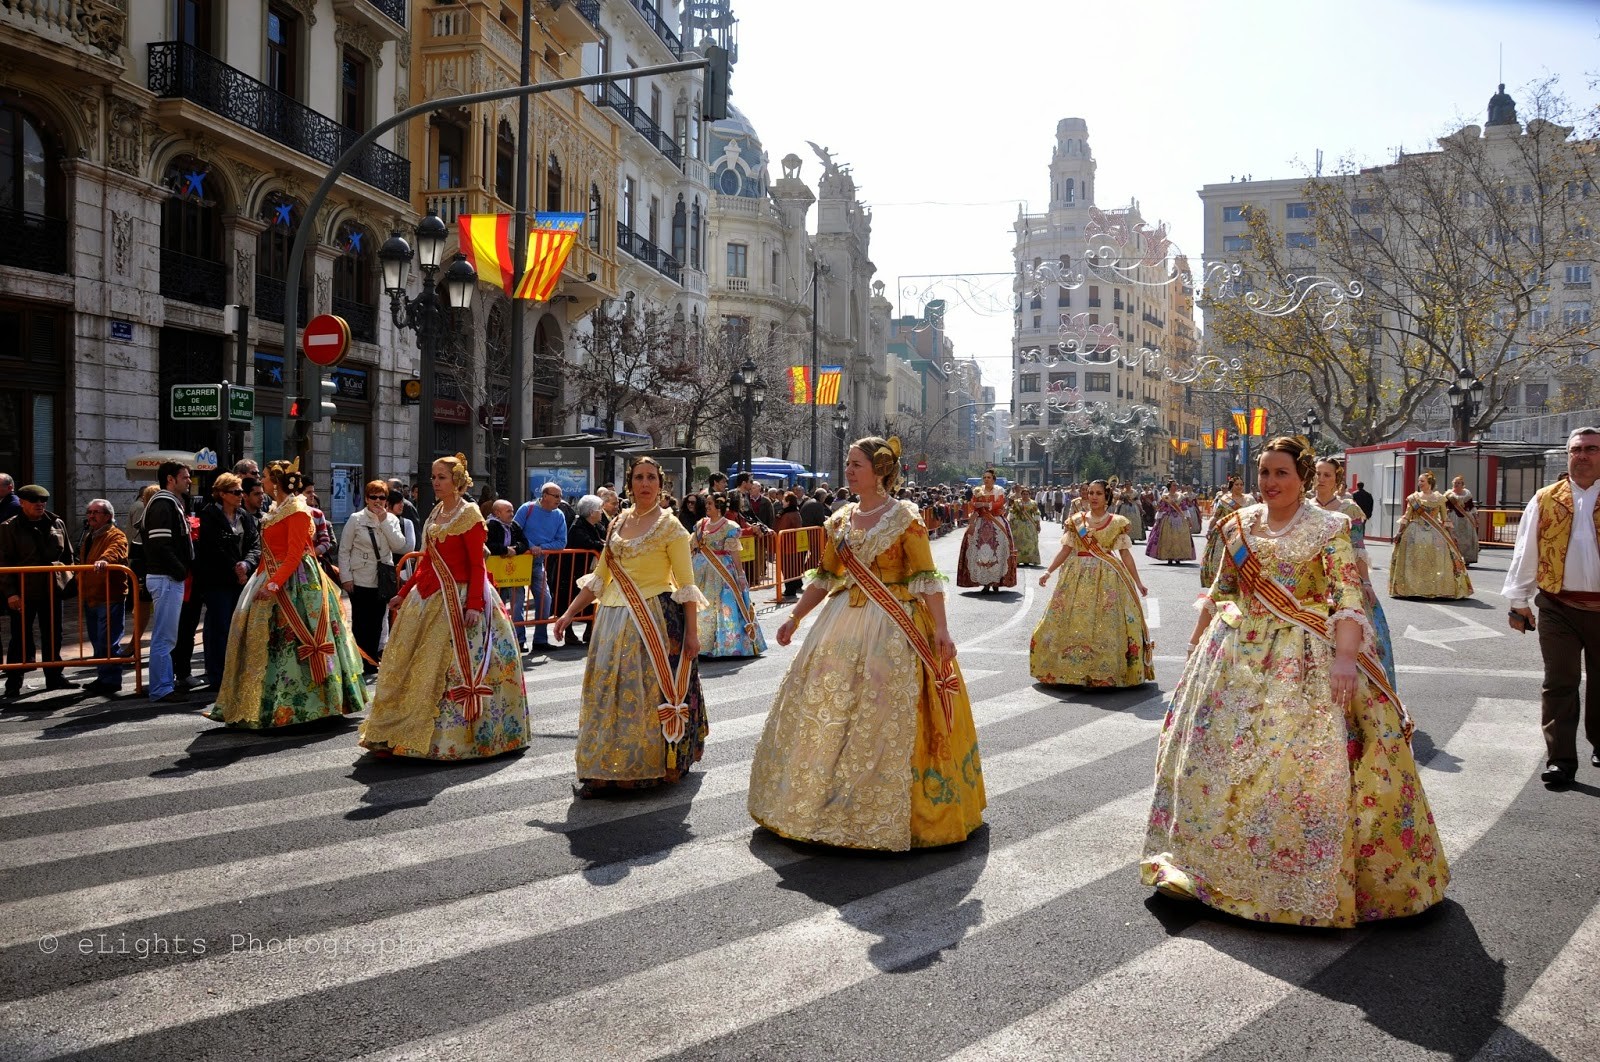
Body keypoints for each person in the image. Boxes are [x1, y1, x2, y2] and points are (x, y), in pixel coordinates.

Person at [1142, 436, 1449, 927]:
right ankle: (1208, 865)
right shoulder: (1238, 525)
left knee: (1295, 764)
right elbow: (1223, 590)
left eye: (1281, 472)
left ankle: (1296, 880)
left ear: (1303, 476)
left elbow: (1348, 597)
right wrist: (1198, 643)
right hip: (1234, 654)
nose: (1270, 482)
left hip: (1303, 658)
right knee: (1220, 758)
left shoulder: (1330, 528)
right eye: (1264, 472)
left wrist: (1346, 659)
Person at [748, 435, 986, 850]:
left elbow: (926, 580)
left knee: (883, 712)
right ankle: (823, 801)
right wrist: (795, 616)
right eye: (848, 463)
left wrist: (943, 630)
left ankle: (884, 808)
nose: (849, 469)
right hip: (841, 624)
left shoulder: (904, 519)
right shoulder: (840, 520)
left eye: (856, 464)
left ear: (880, 471)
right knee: (830, 709)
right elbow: (824, 577)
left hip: (896, 626)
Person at [552, 456, 706, 795]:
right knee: (607, 693)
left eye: (652, 477)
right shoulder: (615, 523)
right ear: (629, 483)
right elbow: (600, 578)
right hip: (610, 619)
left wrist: (693, 633)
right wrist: (568, 614)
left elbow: (685, 584)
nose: (645, 483)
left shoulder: (671, 527)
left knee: (644, 694)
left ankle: (644, 764)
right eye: (639, 477)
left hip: (652, 617)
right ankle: (602, 766)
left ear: (661, 483)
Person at [361, 455, 528, 760]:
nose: (435, 483)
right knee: (414, 666)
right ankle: (400, 731)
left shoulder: (470, 515)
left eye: (442, 477)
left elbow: (478, 565)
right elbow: (427, 560)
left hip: (463, 597)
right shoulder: (437, 511)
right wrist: (406, 590)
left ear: (458, 481)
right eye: (434, 477)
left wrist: (475, 604)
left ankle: (451, 738)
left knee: (451, 669)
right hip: (429, 596)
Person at [205, 460, 366, 729]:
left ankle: (311, 705)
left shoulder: (297, 510)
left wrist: (273, 585)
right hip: (271, 575)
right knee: (271, 643)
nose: (262, 481)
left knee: (296, 640)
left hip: (299, 584)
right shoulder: (275, 510)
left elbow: (295, 555)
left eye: (266, 477)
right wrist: (261, 577)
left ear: (278, 482)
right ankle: (270, 703)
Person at [1503, 427, 1600, 789]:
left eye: (1591, 449)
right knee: (1559, 682)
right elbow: (1526, 551)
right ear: (1567, 454)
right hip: (1558, 606)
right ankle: (1560, 761)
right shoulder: (1545, 498)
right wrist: (1519, 602)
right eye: (1577, 449)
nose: (1584, 455)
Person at [1031, 479, 1152, 688]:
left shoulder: (1117, 522)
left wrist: (1138, 582)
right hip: (1075, 576)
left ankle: (1104, 671)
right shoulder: (1076, 521)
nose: (1093, 497)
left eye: (1098, 493)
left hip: (1108, 579)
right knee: (1068, 619)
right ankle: (1067, 670)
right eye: (1091, 493)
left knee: (1106, 623)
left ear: (1107, 497)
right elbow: (1066, 549)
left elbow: (1125, 555)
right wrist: (1049, 571)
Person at [1314, 457, 1397, 691]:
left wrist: (1366, 583)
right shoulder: (1303, 508)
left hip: (1343, 580)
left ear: (1336, 480)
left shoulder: (1350, 510)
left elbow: (1358, 548)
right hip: (1311, 582)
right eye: (1317, 473)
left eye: (1326, 475)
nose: (1320, 479)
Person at [0, 485, 75, 696]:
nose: (40, 504)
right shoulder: (9, 527)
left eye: (43, 501)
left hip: (51, 589)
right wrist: (11, 593)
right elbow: (3, 563)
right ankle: (14, 683)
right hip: (24, 591)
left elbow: (68, 556)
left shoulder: (56, 523)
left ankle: (54, 677)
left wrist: (65, 578)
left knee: (53, 635)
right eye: (34, 501)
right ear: (22, 503)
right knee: (20, 638)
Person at [194, 473, 261, 691]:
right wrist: (236, 566)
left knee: (239, 627)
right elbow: (213, 548)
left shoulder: (244, 516)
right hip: (217, 580)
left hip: (240, 580)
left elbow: (255, 544)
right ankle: (218, 675)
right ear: (222, 494)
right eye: (236, 492)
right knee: (219, 627)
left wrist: (247, 565)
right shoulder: (209, 515)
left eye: (241, 491)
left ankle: (237, 672)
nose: (241, 495)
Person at [340, 480, 408, 675]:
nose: (377, 501)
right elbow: (344, 549)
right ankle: (358, 661)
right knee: (361, 622)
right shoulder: (356, 519)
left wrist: (384, 520)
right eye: (373, 497)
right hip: (359, 577)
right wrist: (346, 577)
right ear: (367, 498)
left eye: (382, 497)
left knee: (378, 621)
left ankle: (371, 662)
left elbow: (399, 545)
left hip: (382, 579)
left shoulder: (392, 519)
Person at [141, 462, 193, 703]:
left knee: (166, 635)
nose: (189, 481)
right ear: (171, 479)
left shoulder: (167, 502)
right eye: (185, 477)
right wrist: (180, 570)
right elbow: (160, 545)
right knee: (165, 637)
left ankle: (163, 685)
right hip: (166, 577)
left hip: (166, 576)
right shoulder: (163, 504)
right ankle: (161, 689)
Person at [692, 492, 767, 658]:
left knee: (724, 606)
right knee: (704, 608)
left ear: (718, 507)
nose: (707, 507)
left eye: (710, 504)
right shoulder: (700, 524)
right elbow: (693, 546)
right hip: (701, 572)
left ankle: (729, 645)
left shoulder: (729, 527)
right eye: (706, 504)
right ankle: (704, 645)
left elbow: (734, 553)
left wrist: (740, 575)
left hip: (723, 571)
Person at [1390, 471, 1473, 599]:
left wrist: (1452, 535)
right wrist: (1399, 532)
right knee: (1415, 559)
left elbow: (1445, 519)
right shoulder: (1414, 498)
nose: (1419, 483)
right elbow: (1406, 517)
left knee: (1437, 559)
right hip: (1414, 530)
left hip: (1435, 532)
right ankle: (1412, 588)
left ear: (1430, 483)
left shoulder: (1440, 498)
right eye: (1419, 481)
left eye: (1422, 481)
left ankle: (1438, 588)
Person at [78, 498, 130, 696]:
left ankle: (111, 680)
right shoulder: (89, 535)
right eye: (89, 512)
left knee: (108, 640)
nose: (91, 516)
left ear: (108, 516)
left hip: (109, 595)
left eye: (96, 512)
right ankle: (103, 676)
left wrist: (104, 560)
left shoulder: (115, 534)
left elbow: (116, 550)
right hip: (91, 595)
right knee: (97, 640)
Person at [514, 482, 568, 651]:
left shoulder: (559, 515)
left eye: (560, 496)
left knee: (545, 599)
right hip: (519, 561)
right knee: (517, 602)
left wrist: (540, 548)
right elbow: (515, 531)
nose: (560, 500)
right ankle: (519, 640)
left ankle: (540, 639)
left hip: (537, 563)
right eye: (556, 496)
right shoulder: (526, 509)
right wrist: (530, 547)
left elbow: (561, 543)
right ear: (545, 496)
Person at [958, 467, 1017, 593]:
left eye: (988, 477)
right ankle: (984, 582)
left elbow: (999, 504)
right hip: (980, 522)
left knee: (998, 551)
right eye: (984, 477)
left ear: (993, 479)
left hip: (996, 521)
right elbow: (973, 504)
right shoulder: (977, 490)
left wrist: (984, 504)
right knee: (980, 552)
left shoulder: (999, 490)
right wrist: (976, 505)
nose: (986, 480)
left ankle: (996, 582)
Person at [562, 494, 607, 647]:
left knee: (593, 600)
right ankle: (568, 632)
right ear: (591, 512)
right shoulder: (577, 526)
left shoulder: (598, 526)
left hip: (591, 570)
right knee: (570, 600)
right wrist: (600, 545)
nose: (602, 512)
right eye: (599, 509)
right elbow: (585, 542)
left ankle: (589, 629)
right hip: (575, 570)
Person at [486, 498, 530, 652]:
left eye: (512, 510)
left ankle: (520, 640)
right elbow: (487, 546)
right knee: (497, 609)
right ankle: (496, 641)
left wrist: (515, 549)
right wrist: (504, 550)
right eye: (508, 511)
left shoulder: (514, 526)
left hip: (514, 575)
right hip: (496, 575)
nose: (512, 514)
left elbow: (525, 543)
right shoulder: (490, 526)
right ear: (497, 513)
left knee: (518, 607)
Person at [1200, 475, 1249, 588]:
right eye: (1237, 484)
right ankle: (1220, 582)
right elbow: (1216, 516)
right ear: (1231, 486)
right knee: (1220, 557)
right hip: (1225, 533)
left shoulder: (1249, 499)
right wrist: (1209, 530)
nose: (1240, 487)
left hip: (1244, 533)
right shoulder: (1224, 500)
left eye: (1241, 484)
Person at [1144, 481, 1195, 565]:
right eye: (1174, 485)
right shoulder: (1165, 497)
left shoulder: (1181, 496)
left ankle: (1179, 556)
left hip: (1180, 518)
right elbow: (1161, 509)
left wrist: (1189, 520)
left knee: (1180, 537)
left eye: (1176, 485)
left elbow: (1184, 508)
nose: (1176, 487)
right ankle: (1169, 557)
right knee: (1167, 538)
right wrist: (1158, 520)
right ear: (1169, 487)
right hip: (1167, 519)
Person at [774, 490, 804, 597]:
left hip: (787, 544)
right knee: (793, 567)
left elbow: (781, 528)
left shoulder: (788, 515)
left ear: (789, 502)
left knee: (787, 567)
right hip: (792, 544)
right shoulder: (795, 512)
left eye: (784, 500)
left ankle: (790, 590)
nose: (782, 502)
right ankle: (794, 585)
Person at [1446, 475, 1481, 565]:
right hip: (1453, 518)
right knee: (1455, 537)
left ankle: (1466, 558)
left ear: (1462, 485)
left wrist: (1476, 518)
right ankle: (1455, 558)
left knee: (1467, 539)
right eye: (1455, 483)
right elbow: (1443, 507)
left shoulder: (1467, 495)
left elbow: (1471, 507)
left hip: (1466, 519)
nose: (1456, 484)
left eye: (1458, 483)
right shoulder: (1448, 495)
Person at [1008, 486, 1043, 567]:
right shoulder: (1017, 502)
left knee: (1030, 542)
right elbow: (1012, 512)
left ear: (1029, 495)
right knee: (1018, 542)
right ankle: (1018, 560)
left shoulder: (1033, 503)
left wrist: (1038, 525)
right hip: (1018, 525)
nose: (1025, 495)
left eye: (1027, 494)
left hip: (1029, 525)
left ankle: (1029, 559)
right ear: (1021, 494)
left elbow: (1037, 514)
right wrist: (1011, 523)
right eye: (1023, 494)